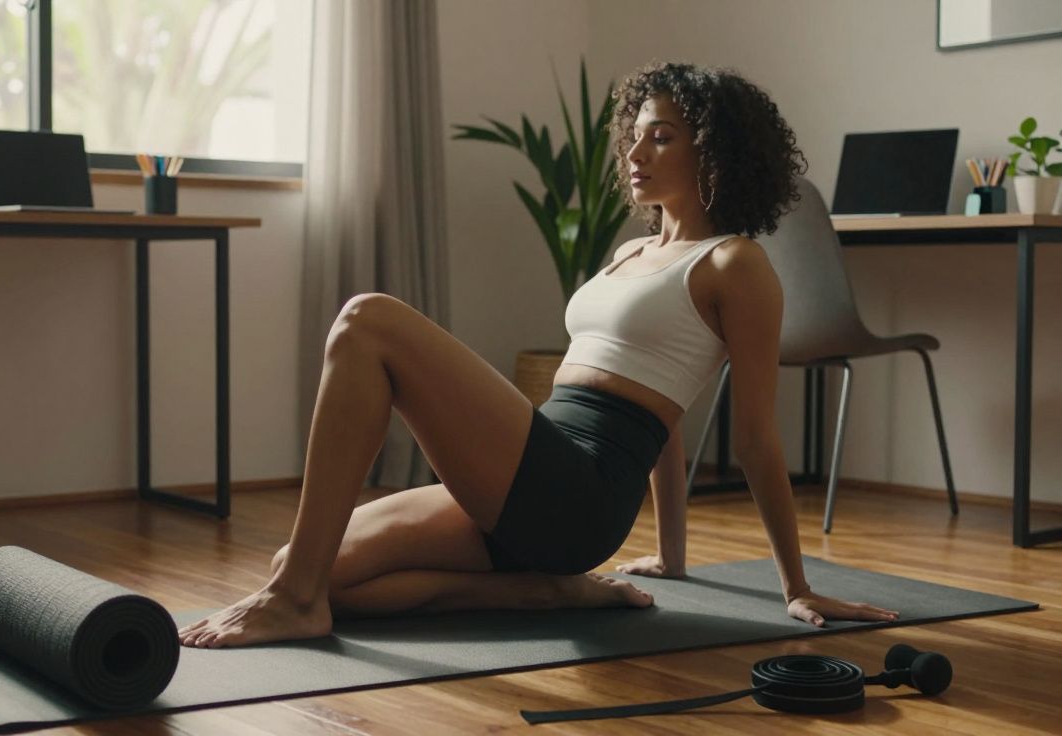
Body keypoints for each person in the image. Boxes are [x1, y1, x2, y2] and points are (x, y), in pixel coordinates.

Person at [179, 60, 899, 649]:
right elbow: (666, 415)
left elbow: (755, 438)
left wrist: (796, 587)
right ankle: (538, 590)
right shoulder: (631, 253)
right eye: (637, 137)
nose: (636, 153)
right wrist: (672, 556)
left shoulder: (734, 264)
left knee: (367, 322)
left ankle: (290, 600)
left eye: (664, 138)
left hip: (574, 495)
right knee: (319, 567)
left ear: (714, 151)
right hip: (533, 472)